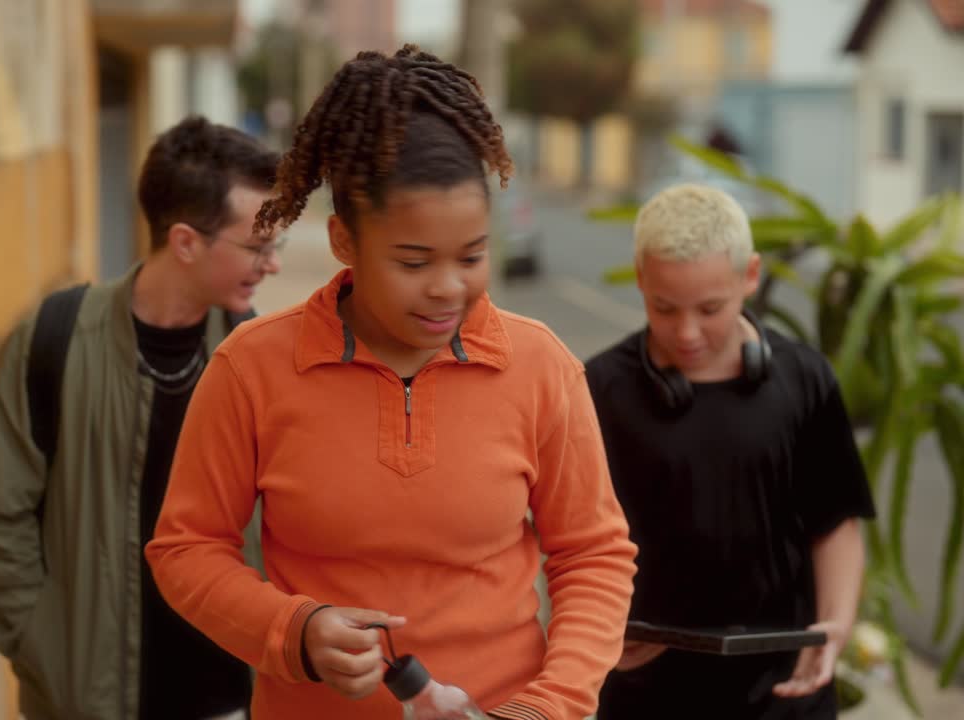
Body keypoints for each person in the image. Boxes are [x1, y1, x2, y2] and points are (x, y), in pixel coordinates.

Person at [145, 45, 637, 720]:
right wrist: (296, 632)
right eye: (413, 261)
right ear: (345, 241)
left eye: (472, 256)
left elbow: (594, 555)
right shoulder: (250, 366)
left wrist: (551, 706)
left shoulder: (542, 366)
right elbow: (185, 549)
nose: (447, 288)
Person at [0, 115, 284, 720]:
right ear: (186, 242)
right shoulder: (54, 337)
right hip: (86, 696)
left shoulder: (258, 358)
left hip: (226, 697)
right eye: (257, 246)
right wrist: (40, 645)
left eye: (275, 246)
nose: (270, 264)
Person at [586, 184, 876, 719]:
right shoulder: (598, 389)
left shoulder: (805, 378)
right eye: (663, 307)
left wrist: (835, 625)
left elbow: (835, 520)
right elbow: (565, 536)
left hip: (787, 693)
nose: (686, 331)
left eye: (710, 308)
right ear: (641, 277)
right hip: (645, 695)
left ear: (750, 276)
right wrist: (591, 629)